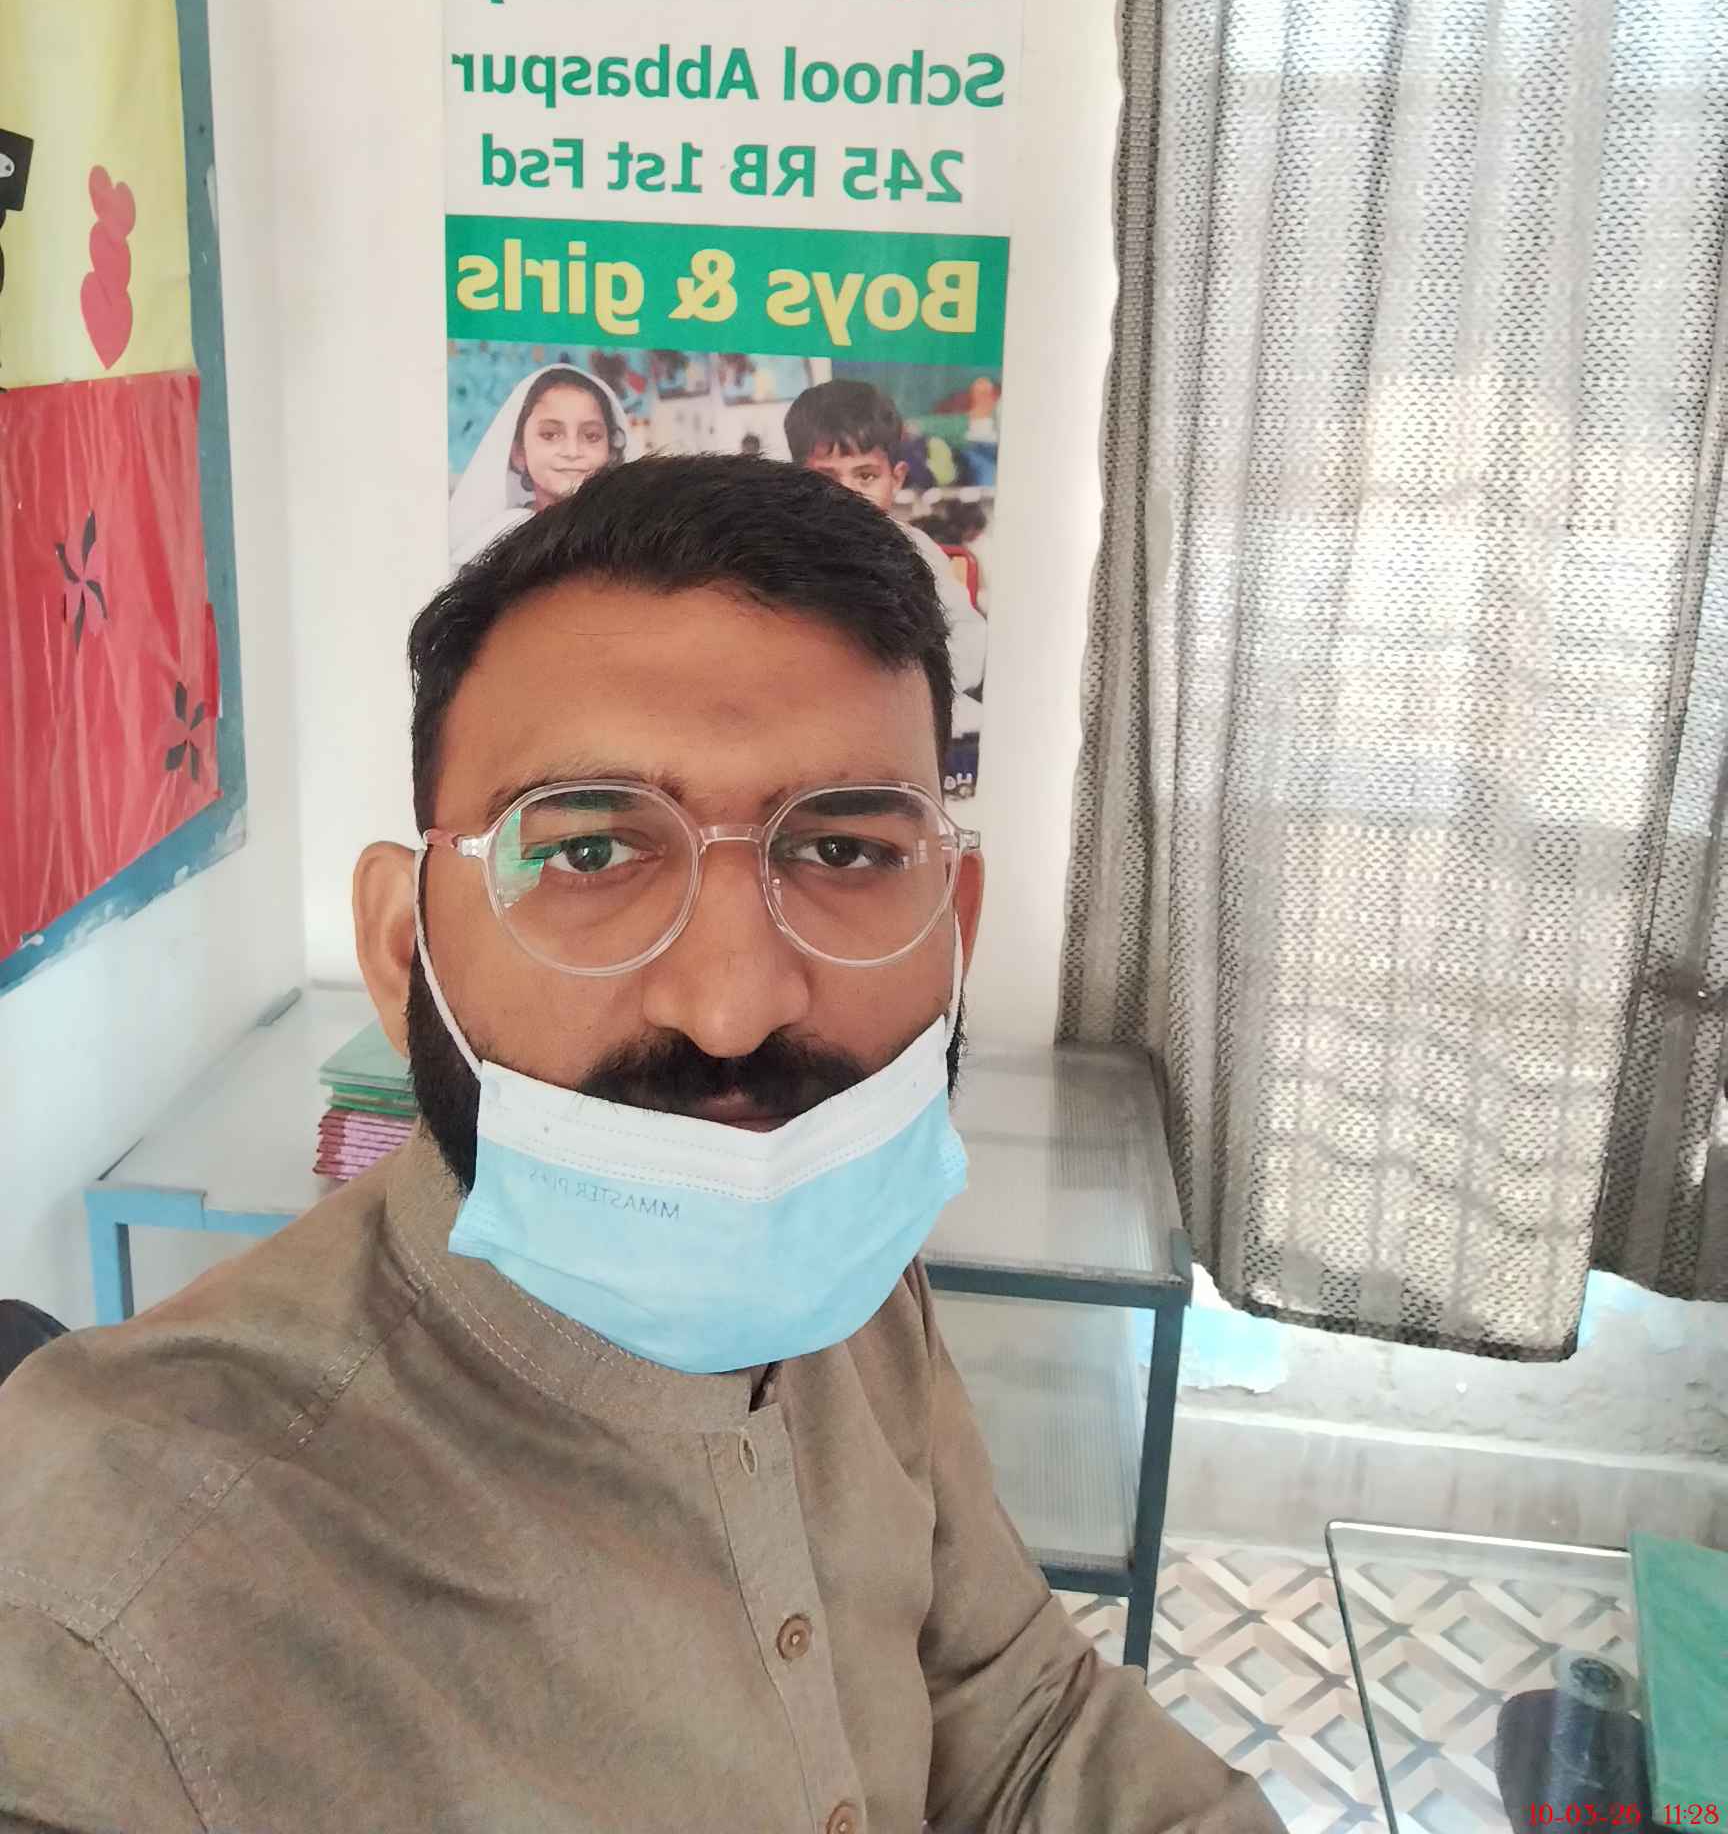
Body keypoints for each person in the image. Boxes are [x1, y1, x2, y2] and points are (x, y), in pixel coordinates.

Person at [0, 459, 1280, 1834]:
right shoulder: (110, 1605)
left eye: (844, 852)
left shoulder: (854, 1282)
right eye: (591, 853)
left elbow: (1016, 1717)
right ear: (402, 947)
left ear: (952, 929)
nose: (733, 1005)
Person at [784, 379, 988, 701]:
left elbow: (968, 636)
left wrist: (919, 688)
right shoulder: (782, 552)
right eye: (825, 478)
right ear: (795, 482)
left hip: (905, 701)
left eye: (866, 476)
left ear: (896, 479)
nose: (848, 494)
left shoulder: (918, 549)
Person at [447, 362, 627, 567]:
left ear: (611, 451)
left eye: (591, 436)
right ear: (519, 453)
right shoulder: (501, 539)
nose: (572, 451)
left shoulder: (621, 537)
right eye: (550, 435)